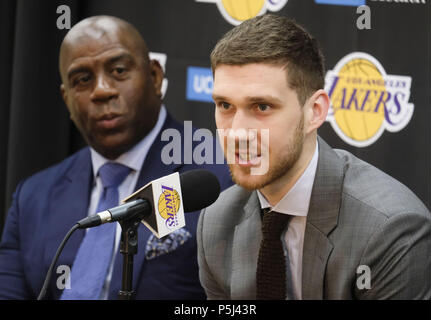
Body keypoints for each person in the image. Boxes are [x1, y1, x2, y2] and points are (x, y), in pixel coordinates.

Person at [197, 14, 431, 300]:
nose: (237, 133)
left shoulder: (388, 229)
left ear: (315, 112)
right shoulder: (216, 221)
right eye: (225, 105)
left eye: (261, 106)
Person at [0, 16, 232, 300]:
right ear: (67, 100)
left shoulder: (218, 175)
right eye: (82, 80)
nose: (102, 90)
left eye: (119, 70)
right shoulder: (33, 197)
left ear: (155, 77)